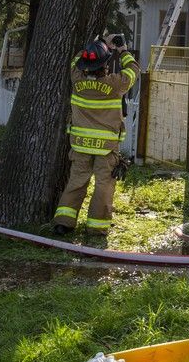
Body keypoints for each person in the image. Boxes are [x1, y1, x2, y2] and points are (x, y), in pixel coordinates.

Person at [52, 34, 139, 236]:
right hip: (106, 148)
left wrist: (94, 42)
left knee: (76, 182)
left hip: (80, 145)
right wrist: (122, 49)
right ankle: (96, 227)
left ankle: (63, 223)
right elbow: (134, 71)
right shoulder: (115, 84)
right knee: (103, 186)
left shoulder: (76, 79)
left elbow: (75, 61)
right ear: (105, 65)